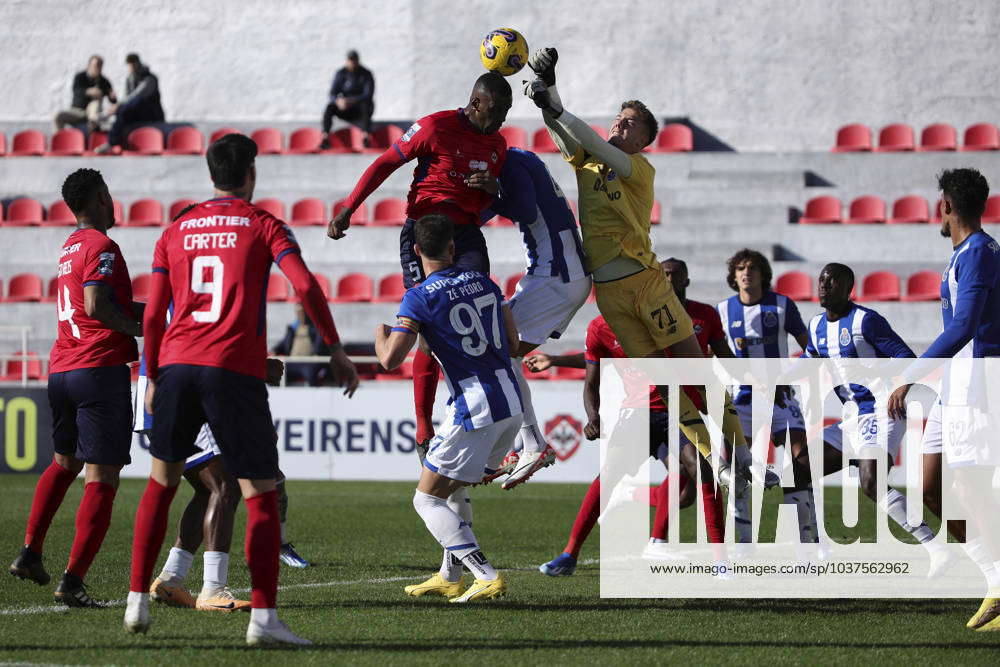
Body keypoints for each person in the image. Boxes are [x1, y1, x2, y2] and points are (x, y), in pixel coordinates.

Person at [123, 133, 358, 645]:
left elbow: (153, 308)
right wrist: (335, 349)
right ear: (250, 173)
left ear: (211, 173)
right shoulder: (263, 224)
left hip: (177, 366)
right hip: (232, 371)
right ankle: (264, 621)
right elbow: (304, 286)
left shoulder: (176, 228)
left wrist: (149, 374)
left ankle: (137, 601)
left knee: (160, 486)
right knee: (260, 494)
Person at [524, 47, 758, 490]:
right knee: (667, 387)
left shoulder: (638, 168)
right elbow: (560, 130)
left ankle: (742, 450)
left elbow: (583, 135)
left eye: (630, 123)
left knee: (694, 373)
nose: (619, 123)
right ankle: (719, 463)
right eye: (619, 117)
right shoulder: (591, 160)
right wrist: (547, 94)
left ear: (642, 140)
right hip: (610, 296)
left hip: (646, 283)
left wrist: (553, 98)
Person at [328, 72, 512, 459]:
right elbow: (385, 163)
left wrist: (494, 191)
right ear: (476, 102)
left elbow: (488, 206)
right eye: (496, 111)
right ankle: (424, 425)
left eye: (507, 112)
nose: (501, 120)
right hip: (424, 234)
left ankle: (481, 409)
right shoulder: (434, 126)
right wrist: (349, 207)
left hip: (465, 235)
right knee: (427, 328)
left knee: (483, 312)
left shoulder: (497, 144)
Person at [535, 258, 732, 575]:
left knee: (698, 472)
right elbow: (591, 381)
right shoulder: (600, 327)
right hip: (636, 415)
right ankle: (569, 555)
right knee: (610, 477)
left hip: (678, 413)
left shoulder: (669, 317)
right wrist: (593, 417)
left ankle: (719, 560)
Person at [8, 168, 142, 607]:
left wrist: (155, 312)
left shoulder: (69, 248)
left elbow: (99, 303)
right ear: (102, 197)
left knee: (63, 462)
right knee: (101, 478)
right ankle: (73, 580)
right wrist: (137, 332)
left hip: (62, 368)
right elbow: (96, 305)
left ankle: (30, 552)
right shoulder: (103, 246)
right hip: (98, 370)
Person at [375, 215, 521, 603]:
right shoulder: (485, 282)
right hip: (511, 401)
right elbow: (514, 342)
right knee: (451, 487)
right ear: (453, 247)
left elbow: (391, 359)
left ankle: (485, 574)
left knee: (425, 498)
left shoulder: (419, 297)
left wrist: (380, 336)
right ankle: (449, 575)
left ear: (417, 252)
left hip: (474, 408)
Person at [887, 168, 1000, 631]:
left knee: (970, 487)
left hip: (977, 382)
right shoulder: (964, 254)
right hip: (955, 384)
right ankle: (994, 577)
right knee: (930, 484)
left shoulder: (977, 253)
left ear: (946, 207)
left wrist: (908, 375)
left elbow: (964, 327)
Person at [802, 263, 953, 574]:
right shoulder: (816, 325)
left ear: (849, 288)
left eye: (834, 281)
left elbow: (905, 356)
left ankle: (936, 548)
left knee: (871, 483)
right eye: (822, 279)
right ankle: (816, 550)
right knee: (799, 471)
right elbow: (807, 362)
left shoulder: (866, 321)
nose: (825, 285)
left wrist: (901, 387)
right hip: (850, 419)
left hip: (882, 410)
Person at [473, 147, 591, 489]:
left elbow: (521, 207)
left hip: (555, 276)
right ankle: (521, 446)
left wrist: (492, 196)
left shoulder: (511, 162)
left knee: (496, 351)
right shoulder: (523, 160)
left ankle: (532, 443)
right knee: (502, 354)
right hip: (558, 275)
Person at [716, 248, 814, 554]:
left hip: (779, 399)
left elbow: (810, 347)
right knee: (737, 471)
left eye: (753, 268)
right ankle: (744, 545)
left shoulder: (783, 305)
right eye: (741, 268)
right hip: (741, 401)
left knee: (800, 463)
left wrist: (791, 374)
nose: (747, 273)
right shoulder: (722, 310)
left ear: (763, 275)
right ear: (733, 276)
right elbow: (713, 354)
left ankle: (805, 541)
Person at [94, 54, 164, 154]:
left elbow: (136, 95)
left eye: (132, 65)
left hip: (151, 113)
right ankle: (111, 141)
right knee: (122, 111)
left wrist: (116, 107)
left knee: (135, 101)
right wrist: (117, 107)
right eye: (129, 65)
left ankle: (106, 127)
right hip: (135, 111)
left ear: (137, 64)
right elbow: (126, 97)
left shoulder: (150, 79)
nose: (130, 68)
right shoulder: (130, 78)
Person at [320, 50, 375, 148]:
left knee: (366, 105)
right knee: (330, 107)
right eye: (350, 60)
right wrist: (338, 101)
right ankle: (325, 137)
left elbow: (368, 95)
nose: (352, 62)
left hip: (360, 109)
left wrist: (352, 101)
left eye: (354, 60)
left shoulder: (366, 74)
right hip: (344, 109)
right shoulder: (341, 73)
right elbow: (332, 93)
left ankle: (366, 136)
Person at [271, 302, 331, 385]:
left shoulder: (317, 328)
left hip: (309, 362)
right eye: (298, 313)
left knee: (310, 372)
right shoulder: (293, 328)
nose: (300, 315)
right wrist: (274, 350)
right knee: (274, 372)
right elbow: (283, 343)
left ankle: (314, 395)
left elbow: (320, 347)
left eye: (302, 312)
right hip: (291, 362)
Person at [53, 55, 116, 132]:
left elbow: (112, 99)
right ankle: (60, 140)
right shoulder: (80, 77)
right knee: (58, 117)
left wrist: (112, 97)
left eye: (100, 66)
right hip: (78, 111)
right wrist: (88, 91)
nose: (98, 68)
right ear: (89, 65)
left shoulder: (104, 81)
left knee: (95, 104)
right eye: (96, 66)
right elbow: (76, 90)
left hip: (93, 113)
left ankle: (92, 127)